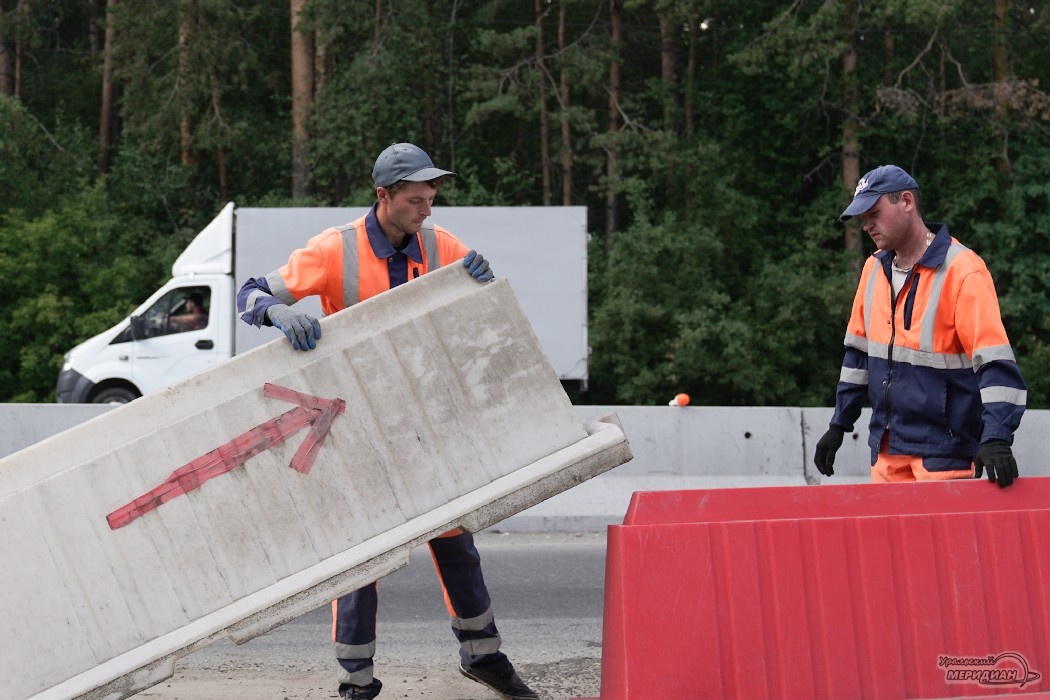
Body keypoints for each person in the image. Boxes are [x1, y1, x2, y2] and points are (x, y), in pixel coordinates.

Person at [236, 143, 537, 700]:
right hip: (358, 426)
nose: (428, 209)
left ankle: (484, 656)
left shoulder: (439, 244)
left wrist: (483, 282)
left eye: (432, 198)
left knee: (455, 542)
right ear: (384, 196)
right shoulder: (335, 249)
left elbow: (478, 308)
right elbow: (249, 293)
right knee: (361, 558)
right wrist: (277, 312)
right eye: (417, 200)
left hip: (425, 420)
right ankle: (356, 681)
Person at [813, 164, 1027, 487]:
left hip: (945, 453)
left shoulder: (963, 271)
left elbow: (995, 362)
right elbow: (858, 357)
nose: (867, 225)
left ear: (907, 202)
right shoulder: (873, 270)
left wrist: (996, 435)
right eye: (863, 217)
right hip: (886, 451)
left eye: (874, 213)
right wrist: (839, 424)